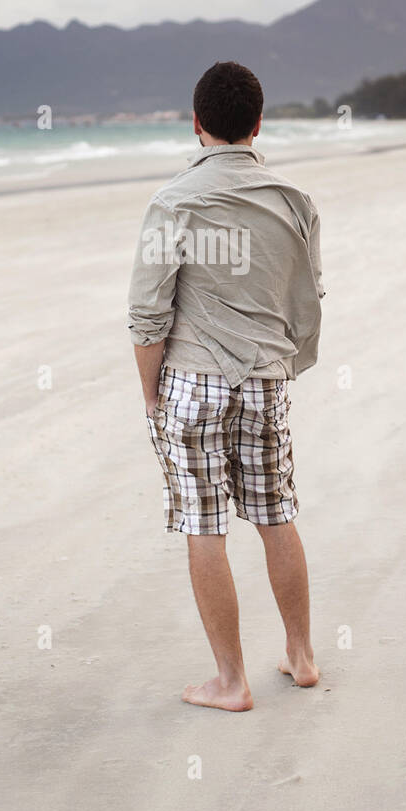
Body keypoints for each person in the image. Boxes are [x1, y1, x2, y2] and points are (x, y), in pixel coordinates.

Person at [127, 61, 324, 712]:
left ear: (197, 123)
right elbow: (306, 300)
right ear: (257, 124)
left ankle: (230, 682)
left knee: (203, 525)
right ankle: (300, 655)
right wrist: (281, 366)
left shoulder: (173, 200)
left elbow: (147, 314)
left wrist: (151, 396)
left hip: (192, 380)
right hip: (265, 380)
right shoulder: (294, 201)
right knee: (276, 514)